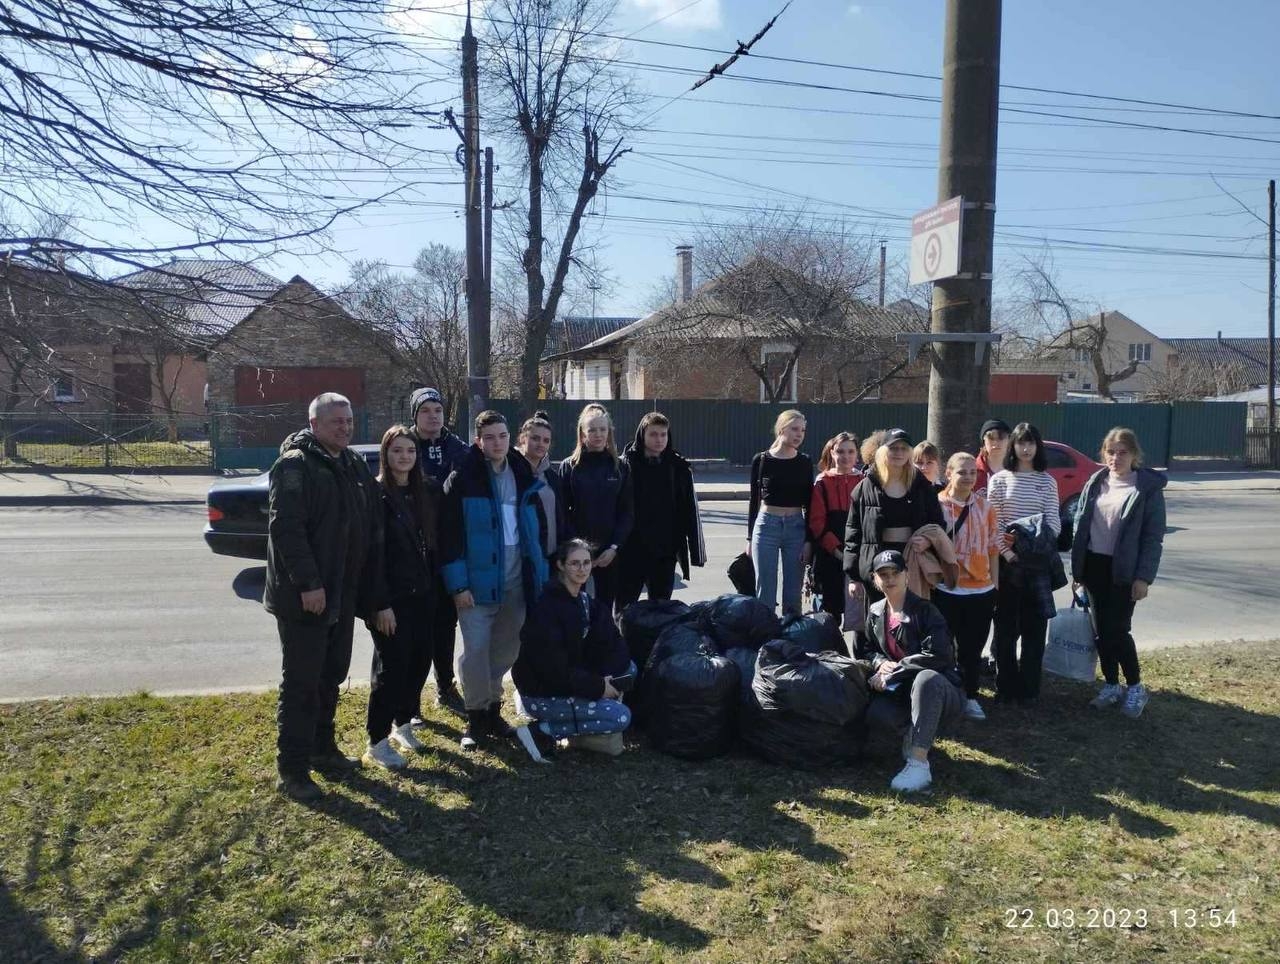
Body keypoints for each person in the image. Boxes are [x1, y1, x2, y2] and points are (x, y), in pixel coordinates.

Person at [264, 392, 384, 801]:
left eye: (349, 421)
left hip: (341, 593)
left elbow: (366, 521)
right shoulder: (295, 465)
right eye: (337, 422)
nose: (345, 428)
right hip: (306, 597)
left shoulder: (349, 463)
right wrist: (309, 584)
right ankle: (292, 770)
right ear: (314, 424)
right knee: (301, 682)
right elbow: (287, 530)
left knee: (331, 675)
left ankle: (322, 749)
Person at [440, 410, 549, 750]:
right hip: (476, 588)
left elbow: (536, 532)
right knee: (475, 652)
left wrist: (540, 575)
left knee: (505, 651)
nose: (497, 443)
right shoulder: (463, 478)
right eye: (489, 437)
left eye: (502, 436)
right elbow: (449, 538)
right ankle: (475, 718)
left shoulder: (522, 473)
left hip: (516, 583)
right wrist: (458, 586)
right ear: (479, 441)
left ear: (510, 438)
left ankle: (492, 709)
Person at [1071, 427, 1167, 718]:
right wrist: (1078, 570)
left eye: (1123, 452)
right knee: (1101, 633)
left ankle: (1136, 687)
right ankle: (1112, 685)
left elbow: (1153, 537)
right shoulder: (1096, 482)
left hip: (1124, 571)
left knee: (1118, 631)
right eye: (1111, 452)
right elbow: (1080, 525)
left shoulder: (1146, 488)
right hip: (1094, 567)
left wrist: (1143, 578)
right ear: (1104, 454)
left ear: (1134, 455)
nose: (1116, 458)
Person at [513, 539, 634, 757]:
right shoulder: (546, 609)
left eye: (586, 563)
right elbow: (553, 671)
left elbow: (615, 642)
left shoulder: (586, 602)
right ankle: (540, 731)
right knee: (621, 717)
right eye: (574, 563)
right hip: (541, 694)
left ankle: (587, 719)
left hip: (574, 682)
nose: (582, 569)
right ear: (560, 565)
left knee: (629, 669)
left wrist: (607, 678)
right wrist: (598, 687)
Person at [363, 425, 438, 770]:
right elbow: (370, 555)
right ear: (385, 455)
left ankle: (402, 724)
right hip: (390, 601)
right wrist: (379, 604)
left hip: (422, 595)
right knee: (391, 669)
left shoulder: (423, 492)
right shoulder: (375, 495)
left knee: (419, 661)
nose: (404, 456)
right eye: (397, 451)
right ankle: (376, 742)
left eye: (410, 450)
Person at [863, 550, 967, 793]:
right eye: (883, 575)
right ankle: (913, 732)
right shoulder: (875, 612)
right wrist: (879, 663)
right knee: (875, 714)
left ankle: (919, 763)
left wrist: (896, 670)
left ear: (907, 576)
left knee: (926, 679)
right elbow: (866, 649)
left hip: (942, 692)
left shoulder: (926, 611)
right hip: (901, 692)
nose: (890, 579)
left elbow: (940, 656)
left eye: (895, 573)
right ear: (875, 580)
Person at [844, 428, 945, 647]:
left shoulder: (921, 486)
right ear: (883, 451)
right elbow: (853, 533)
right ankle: (874, 671)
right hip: (875, 564)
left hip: (912, 562)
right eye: (893, 448)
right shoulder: (865, 486)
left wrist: (928, 541)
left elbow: (939, 524)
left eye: (903, 448)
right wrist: (853, 576)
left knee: (910, 620)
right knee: (876, 621)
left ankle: (909, 668)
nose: (898, 453)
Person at [987, 422, 1061, 704]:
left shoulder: (1046, 481)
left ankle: (1030, 689)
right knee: (1005, 630)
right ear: (1013, 446)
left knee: (1034, 629)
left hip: (1038, 564)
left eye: (1031, 443)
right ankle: (1006, 687)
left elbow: (1052, 523)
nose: (1026, 448)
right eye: (1020, 443)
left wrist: (1030, 546)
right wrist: (1009, 553)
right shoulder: (1000, 480)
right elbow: (995, 524)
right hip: (1007, 566)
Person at [409, 387, 469, 715]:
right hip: (413, 549)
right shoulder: (404, 446)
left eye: (438, 410)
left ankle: (445, 686)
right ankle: (410, 697)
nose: (433, 416)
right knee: (415, 625)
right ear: (415, 415)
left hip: (446, 548)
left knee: (445, 623)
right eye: (426, 410)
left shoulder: (456, 448)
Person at [933, 451, 1000, 722]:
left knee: (973, 649)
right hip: (947, 590)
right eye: (962, 471)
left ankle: (970, 695)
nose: (969, 477)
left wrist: (995, 586)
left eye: (973, 472)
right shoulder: (936, 506)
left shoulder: (986, 507)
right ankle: (946, 696)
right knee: (944, 647)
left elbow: (994, 548)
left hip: (981, 591)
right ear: (948, 473)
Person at [617, 412, 705, 610]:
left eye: (663, 435)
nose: (659, 440)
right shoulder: (625, 465)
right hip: (631, 549)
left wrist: (696, 552)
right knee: (624, 607)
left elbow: (690, 511)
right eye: (653, 434)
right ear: (642, 435)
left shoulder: (678, 467)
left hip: (665, 550)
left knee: (661, 610)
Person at [558, 404, 634, 614]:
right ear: (582, 433)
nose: (598, 434)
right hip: (577, 556)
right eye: (592, 430)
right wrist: (579, 551)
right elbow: (562, 512)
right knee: (574, 610)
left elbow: (626, 513)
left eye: (602, 429)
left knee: (603, 610)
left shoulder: (620, 467)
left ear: (609, 432)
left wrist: (614, 547)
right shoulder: (570, 466)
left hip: (609, 554)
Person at [747, 410, 813, 615]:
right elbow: (754, 500)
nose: (799, 434)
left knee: (793, 594)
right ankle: (766, 639)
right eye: (794, 429)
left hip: (796, 527)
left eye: (802, 430)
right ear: (781, 429)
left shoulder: (804, 461)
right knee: (765, 591)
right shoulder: (761, 460)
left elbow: (810, 503)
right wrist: (749, 538)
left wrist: (809, 540)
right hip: (766, 525)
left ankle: (790, 641)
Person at [808, 432, 863, 617]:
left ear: (857, 454)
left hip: (860, 556)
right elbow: (817, 523)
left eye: (850, 451)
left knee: (861, 615)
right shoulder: (822, 482)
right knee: (830, 614)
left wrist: (855, 555)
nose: (845, 456)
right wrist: (839, 552)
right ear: (832, 453)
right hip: (830, 556)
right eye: (840, 451)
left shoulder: (864, 482)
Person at [516, 410, 566, 560]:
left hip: (550, 557)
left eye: (546, 440)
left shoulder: (552, 478)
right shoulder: (512, 473)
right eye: (535, 438)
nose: (541, 444)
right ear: (523, 439)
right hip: (521, 558)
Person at [974, 418, 1011, 495]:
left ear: (1009, 440)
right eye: (991, 438)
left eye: (1001, 437)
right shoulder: (972, 470)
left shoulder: (1018, 469)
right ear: (984, 440)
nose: (996, 442)